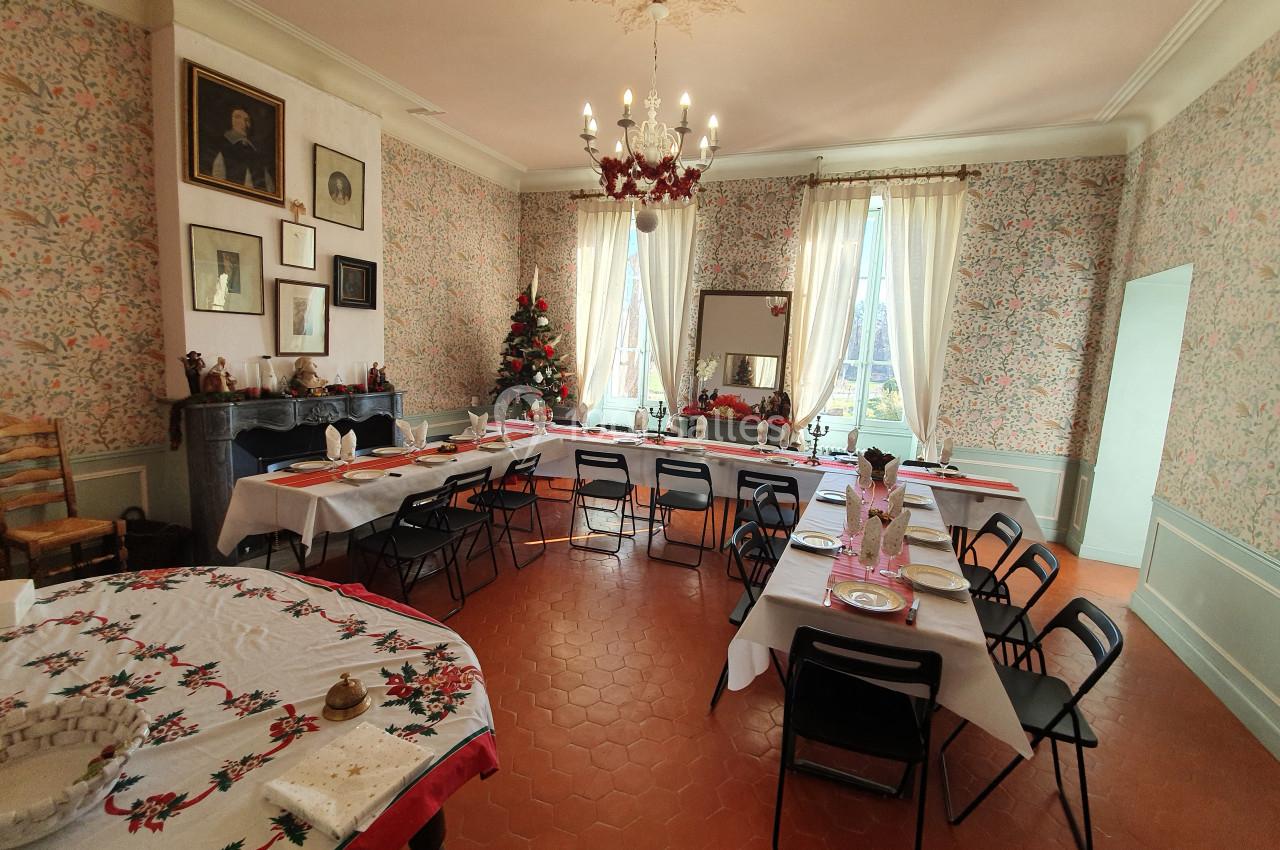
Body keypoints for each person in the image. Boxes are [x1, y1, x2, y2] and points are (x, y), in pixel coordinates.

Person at [211, 106, 275, 192]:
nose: (243, 123)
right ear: (228, 119)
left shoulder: (255, 153)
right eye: (237, 117)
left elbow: (269, 188)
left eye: (247, 120)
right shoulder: (219, 146)